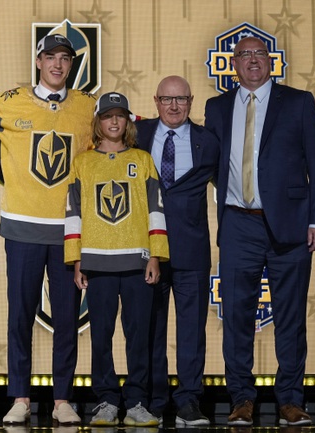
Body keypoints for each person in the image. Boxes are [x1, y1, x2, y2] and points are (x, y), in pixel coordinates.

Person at [204, 36, 315, 426]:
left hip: (291, 226)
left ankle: (290, 400)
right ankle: (242, 399)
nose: (253, 61)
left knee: (291, 318)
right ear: (234, 64)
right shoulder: (217, 107)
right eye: (245, 55)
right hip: (239, 223)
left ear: (271, 61)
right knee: (237, 318)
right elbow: (211, 162)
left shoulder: (298, 102)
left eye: (260, 54)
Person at [0, 33, 96, 426]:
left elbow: (118, 137)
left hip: (68, 231)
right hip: (23, 228)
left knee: (67, 319)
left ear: (71, 64)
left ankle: (63, 398)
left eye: (65, 58)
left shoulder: (86, 107)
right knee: (20, 316)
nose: (58, 65)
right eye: (51, 57)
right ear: (38, 60)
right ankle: (21, 397)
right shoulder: (8, 103)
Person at [64, 92, 169, 427]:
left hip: (137, 262)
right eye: (107, 115)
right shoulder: (83, 162)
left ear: (128, 121)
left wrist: (156, 255)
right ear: (98, 122)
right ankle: (106, 399)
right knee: (101, 336)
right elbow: (73, 214)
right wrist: (76, 259)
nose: (113, 121)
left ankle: (137, 399)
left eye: (120, 116)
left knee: (139, 336)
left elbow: (156, 210)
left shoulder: (143, 159)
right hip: (98, 264)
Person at [136, 76, 219, 426]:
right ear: (156, 101)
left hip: (192, 251)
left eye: (181, 99)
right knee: (150, 328)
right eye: (167, 99)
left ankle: (188, 401)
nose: (174, 106)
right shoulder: (136, 136)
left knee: (191, 330)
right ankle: (154, 401)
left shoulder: (208, 141)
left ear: (191, 101)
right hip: (146, 251)